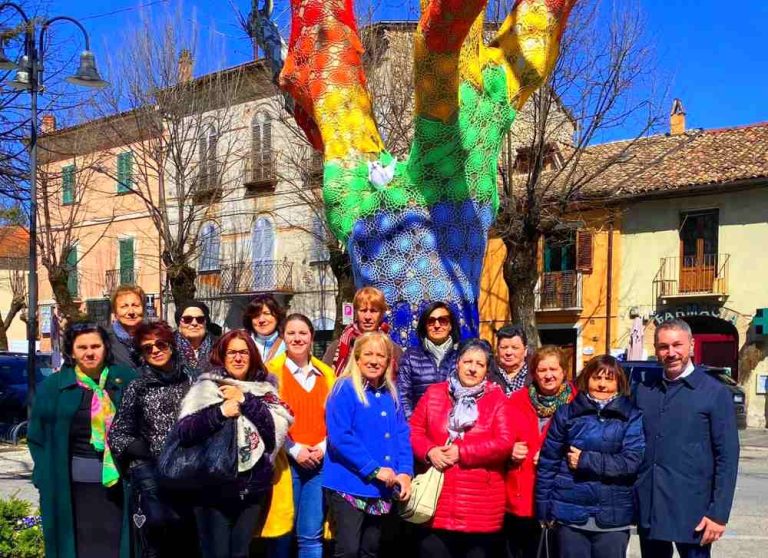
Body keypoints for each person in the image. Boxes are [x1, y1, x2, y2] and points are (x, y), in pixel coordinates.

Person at [176, 330, 294, 558]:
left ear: (252, 356)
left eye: (243, 352)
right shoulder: (206, 387)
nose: (238, 358)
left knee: (241, 552)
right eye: (232, 352)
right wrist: (219, 412)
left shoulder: (265, 390)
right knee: (216, 552)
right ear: (222, 355)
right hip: (214, 487)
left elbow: (272, 434)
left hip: (251, 488)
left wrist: (245, 399)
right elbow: (186, 431)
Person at [28, 322, 138, 558]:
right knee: (77, 547)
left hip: (119, 486)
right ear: (71, 351)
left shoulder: (125, 380)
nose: (90, 352)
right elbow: (37, 436)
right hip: (71, 488)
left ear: (106, 348)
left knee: (116, 547)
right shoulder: (54, 387)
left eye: (96, 346)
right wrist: (43, 477)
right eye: (82, 347)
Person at [634, 319, 739, 558]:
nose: (671, 353)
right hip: (651, 506)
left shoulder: (715, 393)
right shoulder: (644, 391)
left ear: (691, 346)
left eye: (677, 345)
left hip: (694, 511)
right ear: (655, 349)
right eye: (663, 347)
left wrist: (718, 514)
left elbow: (728, 458)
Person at [409, 339, 514, 558]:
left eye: (480, 364)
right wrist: (429, 451)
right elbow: (413, 431)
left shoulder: (497, 399)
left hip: (480, 506)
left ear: (486, 370)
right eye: (468, 361)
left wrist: (462, 452)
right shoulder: (434, 393)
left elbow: (504, 442)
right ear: (458, 363)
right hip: (437, 502)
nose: (473, 368)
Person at [535, 355, 645, 558]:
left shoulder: (631, 416)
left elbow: (632, 461)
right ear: (586, 379)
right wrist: (543, 508)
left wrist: (586, 460)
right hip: (570, 515)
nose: (602, 385)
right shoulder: (566, 413)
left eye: (609, 379)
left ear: (619, 383)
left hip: (613, 516)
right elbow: (548, 463)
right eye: (596, 378)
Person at [108, 321, 198, 557]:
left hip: (190, 474)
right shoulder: (137, 386)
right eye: (148, 348)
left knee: (189, 542)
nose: (155, 350)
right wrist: (145, 452)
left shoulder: (192, 382)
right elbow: (118, 435)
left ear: (172, 346)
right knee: (157, 541)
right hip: (152, 477)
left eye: (161, 344)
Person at [323, 331, 413, 558]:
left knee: (370, 549)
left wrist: (405, 472)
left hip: (381, 488)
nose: (374, 360)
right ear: (357, 357)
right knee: (349, 550)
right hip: (349, 484)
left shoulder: (390, 394)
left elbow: (401, 434)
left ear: (388, 361)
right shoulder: (344, 389)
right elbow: (340, 438)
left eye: (380, 356)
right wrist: (373, 469)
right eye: (369, 354)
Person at [264, 314, 336, 558]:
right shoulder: (271, 372)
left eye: (303, 333)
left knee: (311, 536)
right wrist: (294, 449)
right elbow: (267, 419)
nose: (297, 338)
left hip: (318, 463)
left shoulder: (326, 374)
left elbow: (336, 419)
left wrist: (323, 447)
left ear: (311, 337)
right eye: (291, 333)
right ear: (283, 337)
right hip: (284, 465)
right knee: (281, 532)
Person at [504, 345, 576, 558]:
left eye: (553, 369)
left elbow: (586, 445)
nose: (548, 375)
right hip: (518, 495)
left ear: (564, 371)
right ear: (534, 373)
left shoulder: (577, 403)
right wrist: (508, 448)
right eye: (542, 370)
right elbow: (500, 437)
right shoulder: (516, 400)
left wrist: (555, 456)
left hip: (559, 496)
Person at [397, 302, 460, 418]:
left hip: (454, 428)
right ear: (425, 326)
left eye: (443, 320)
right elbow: (403, 396)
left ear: (451, 325)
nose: (437, 325)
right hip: (420, 428)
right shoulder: (411, 357)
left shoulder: (461, 356)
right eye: (431, 321)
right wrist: (413, 426)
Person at [323, 286, 402, 376]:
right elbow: (326, 381)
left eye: (373, 311)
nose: (368, 317)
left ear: (381, 314)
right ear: (356, 312)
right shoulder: (336, 348)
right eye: (363, 310)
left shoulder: (393, 349)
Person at [174, 300, 221, 380]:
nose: (194, 323)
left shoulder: (220, 347)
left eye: (200, 319)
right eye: (187, 319)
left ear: (206, 323)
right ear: (179, 324)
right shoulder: (168, 348)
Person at [106, 285, 146, 369]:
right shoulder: (105, 340)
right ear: (115, 313)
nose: (131, 312)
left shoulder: (154, 337)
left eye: (135, 305)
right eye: (124, 306)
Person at [243, 294, 287, 362]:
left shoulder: (288, 342)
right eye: (256, 315)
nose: (261, 320)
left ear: (277, 316)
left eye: (266, 313)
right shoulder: (243, 341)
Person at [489, 325, 530, 396]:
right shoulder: (487, 373)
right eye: (504, 347)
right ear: (497, 350)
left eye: (514, 348)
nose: (508, 353)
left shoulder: (536, 373)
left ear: (525, 350)